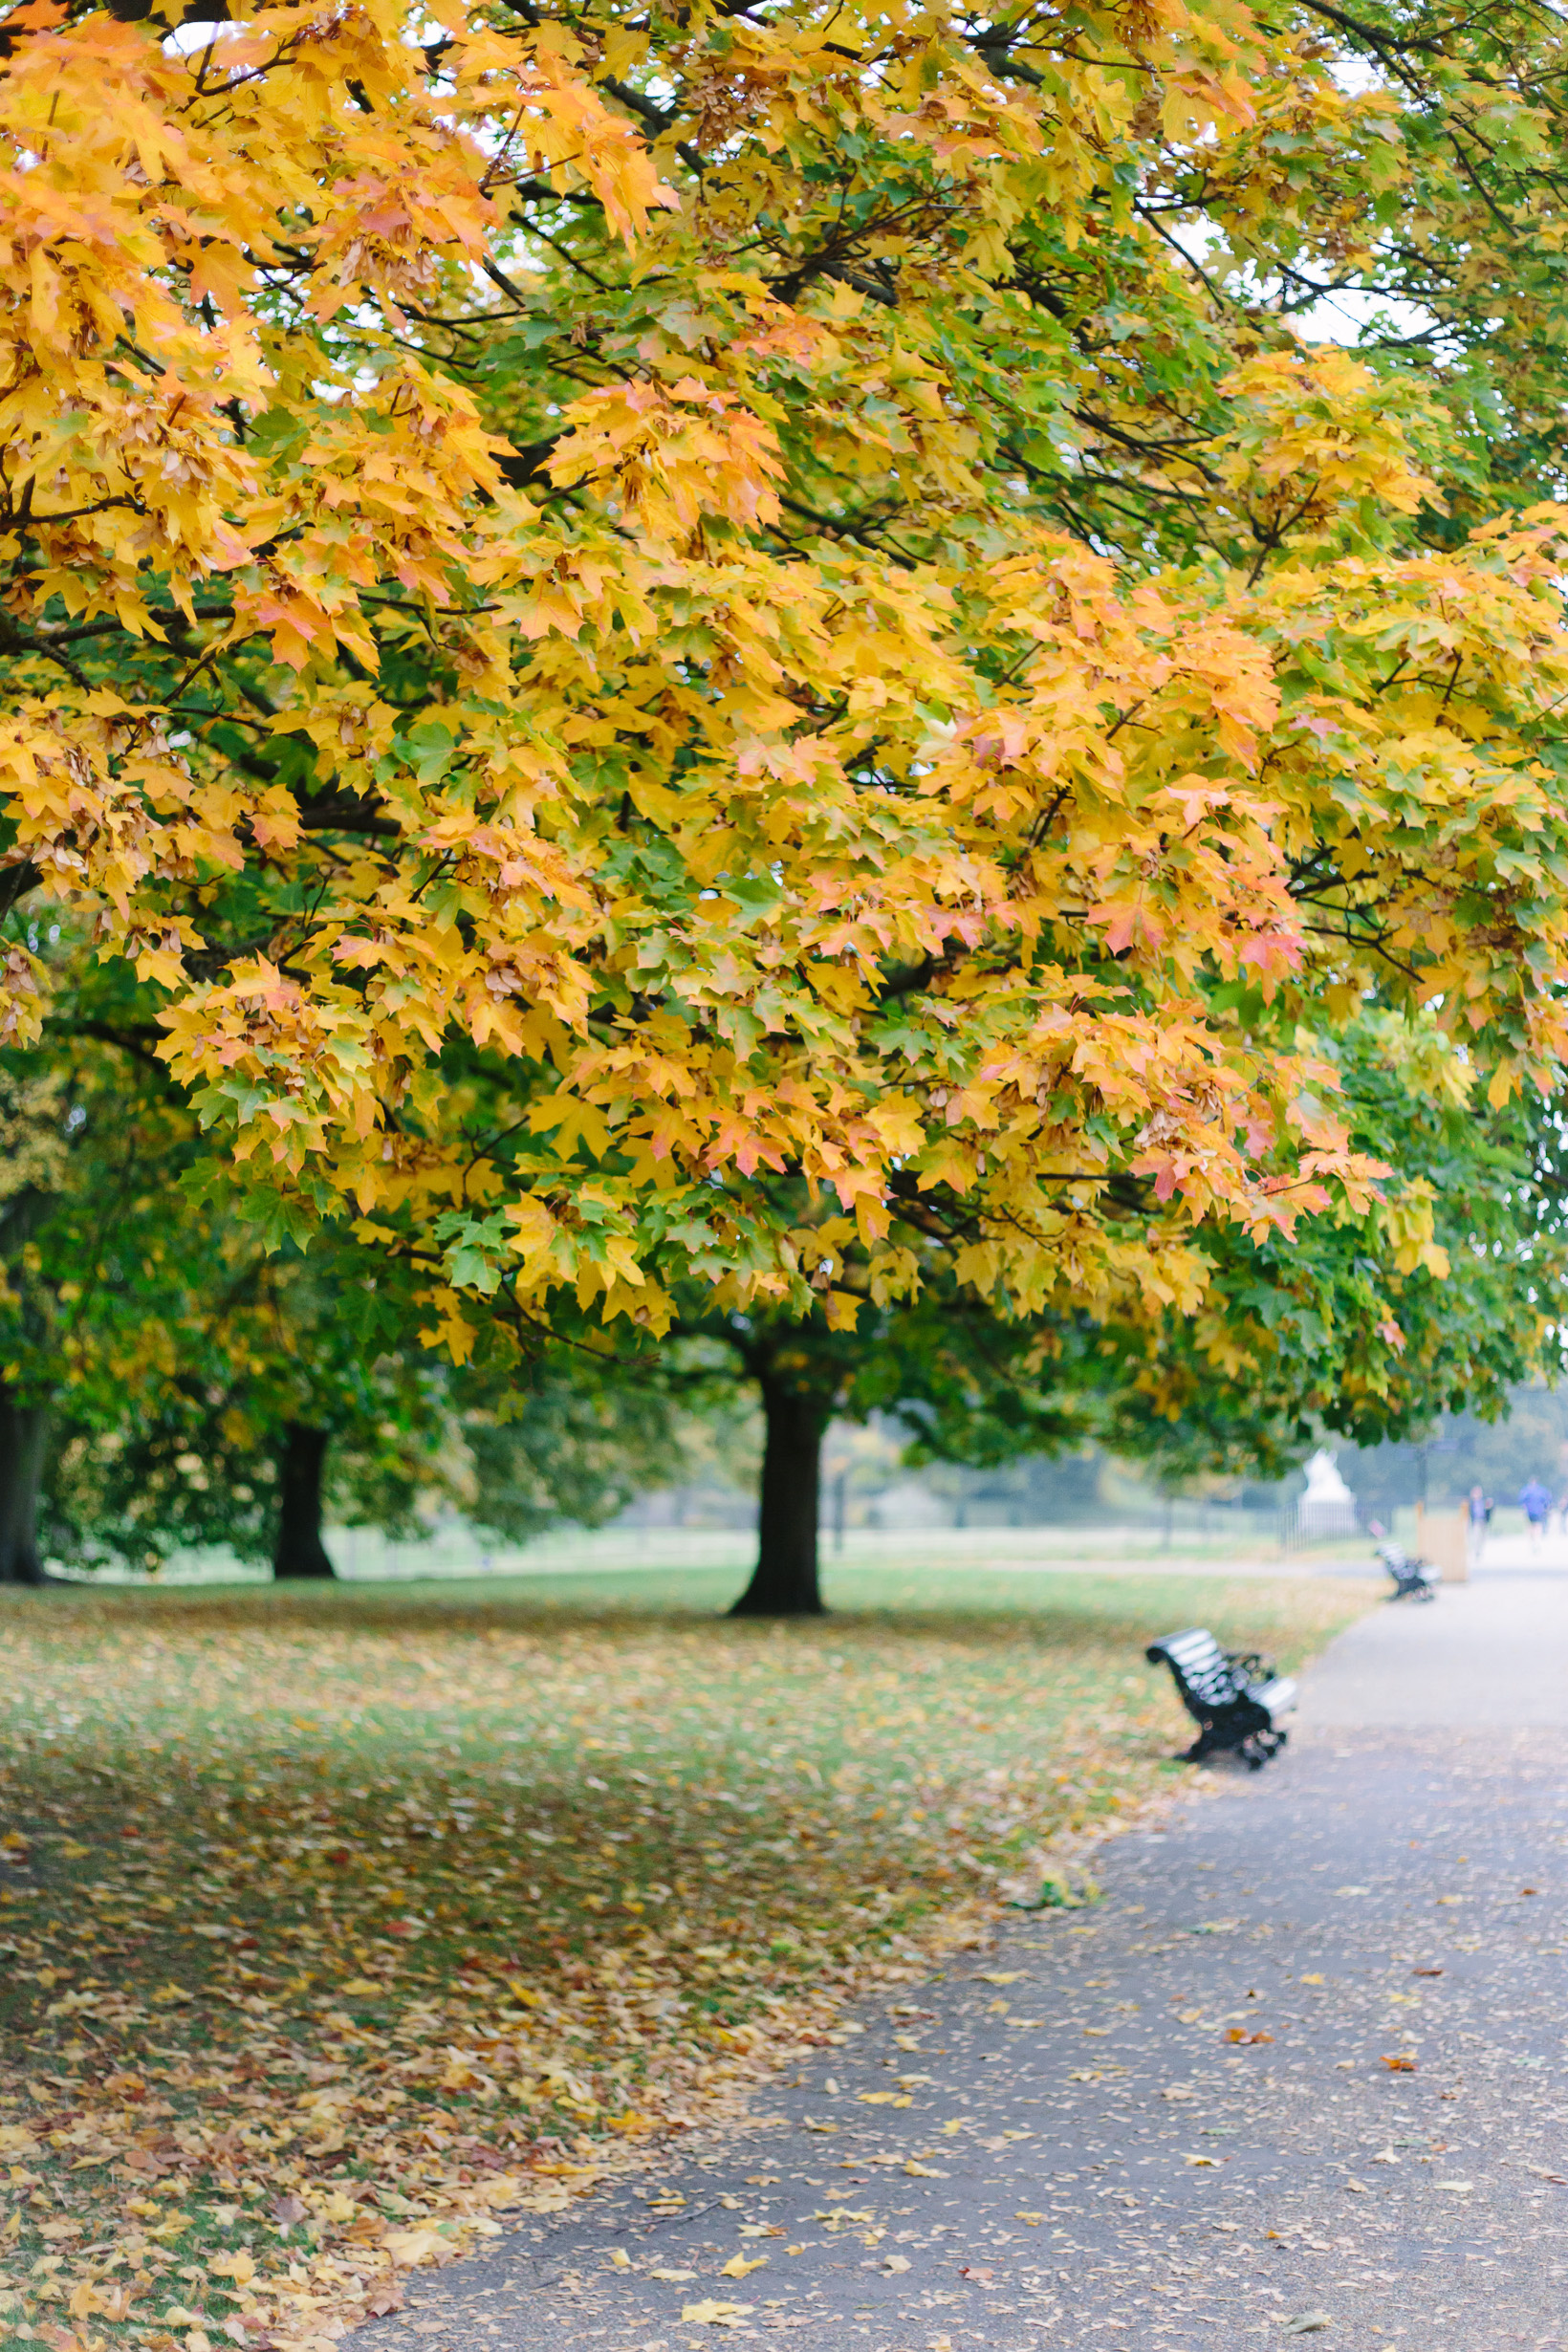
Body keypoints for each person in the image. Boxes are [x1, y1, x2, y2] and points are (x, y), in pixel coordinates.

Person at [1519, 1476, 1552, 1549]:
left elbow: (1522, 1501)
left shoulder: (1526, 1490)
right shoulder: (1541, 1490)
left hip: (1530, 1511)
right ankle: (1536, 1540)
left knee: (1530, 1525)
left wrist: (1523, 1509)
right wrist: (1547, 1509)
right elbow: (1546, 1500)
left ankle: (1532, 1540)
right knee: (1538, 1526)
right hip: (1538, 1511)